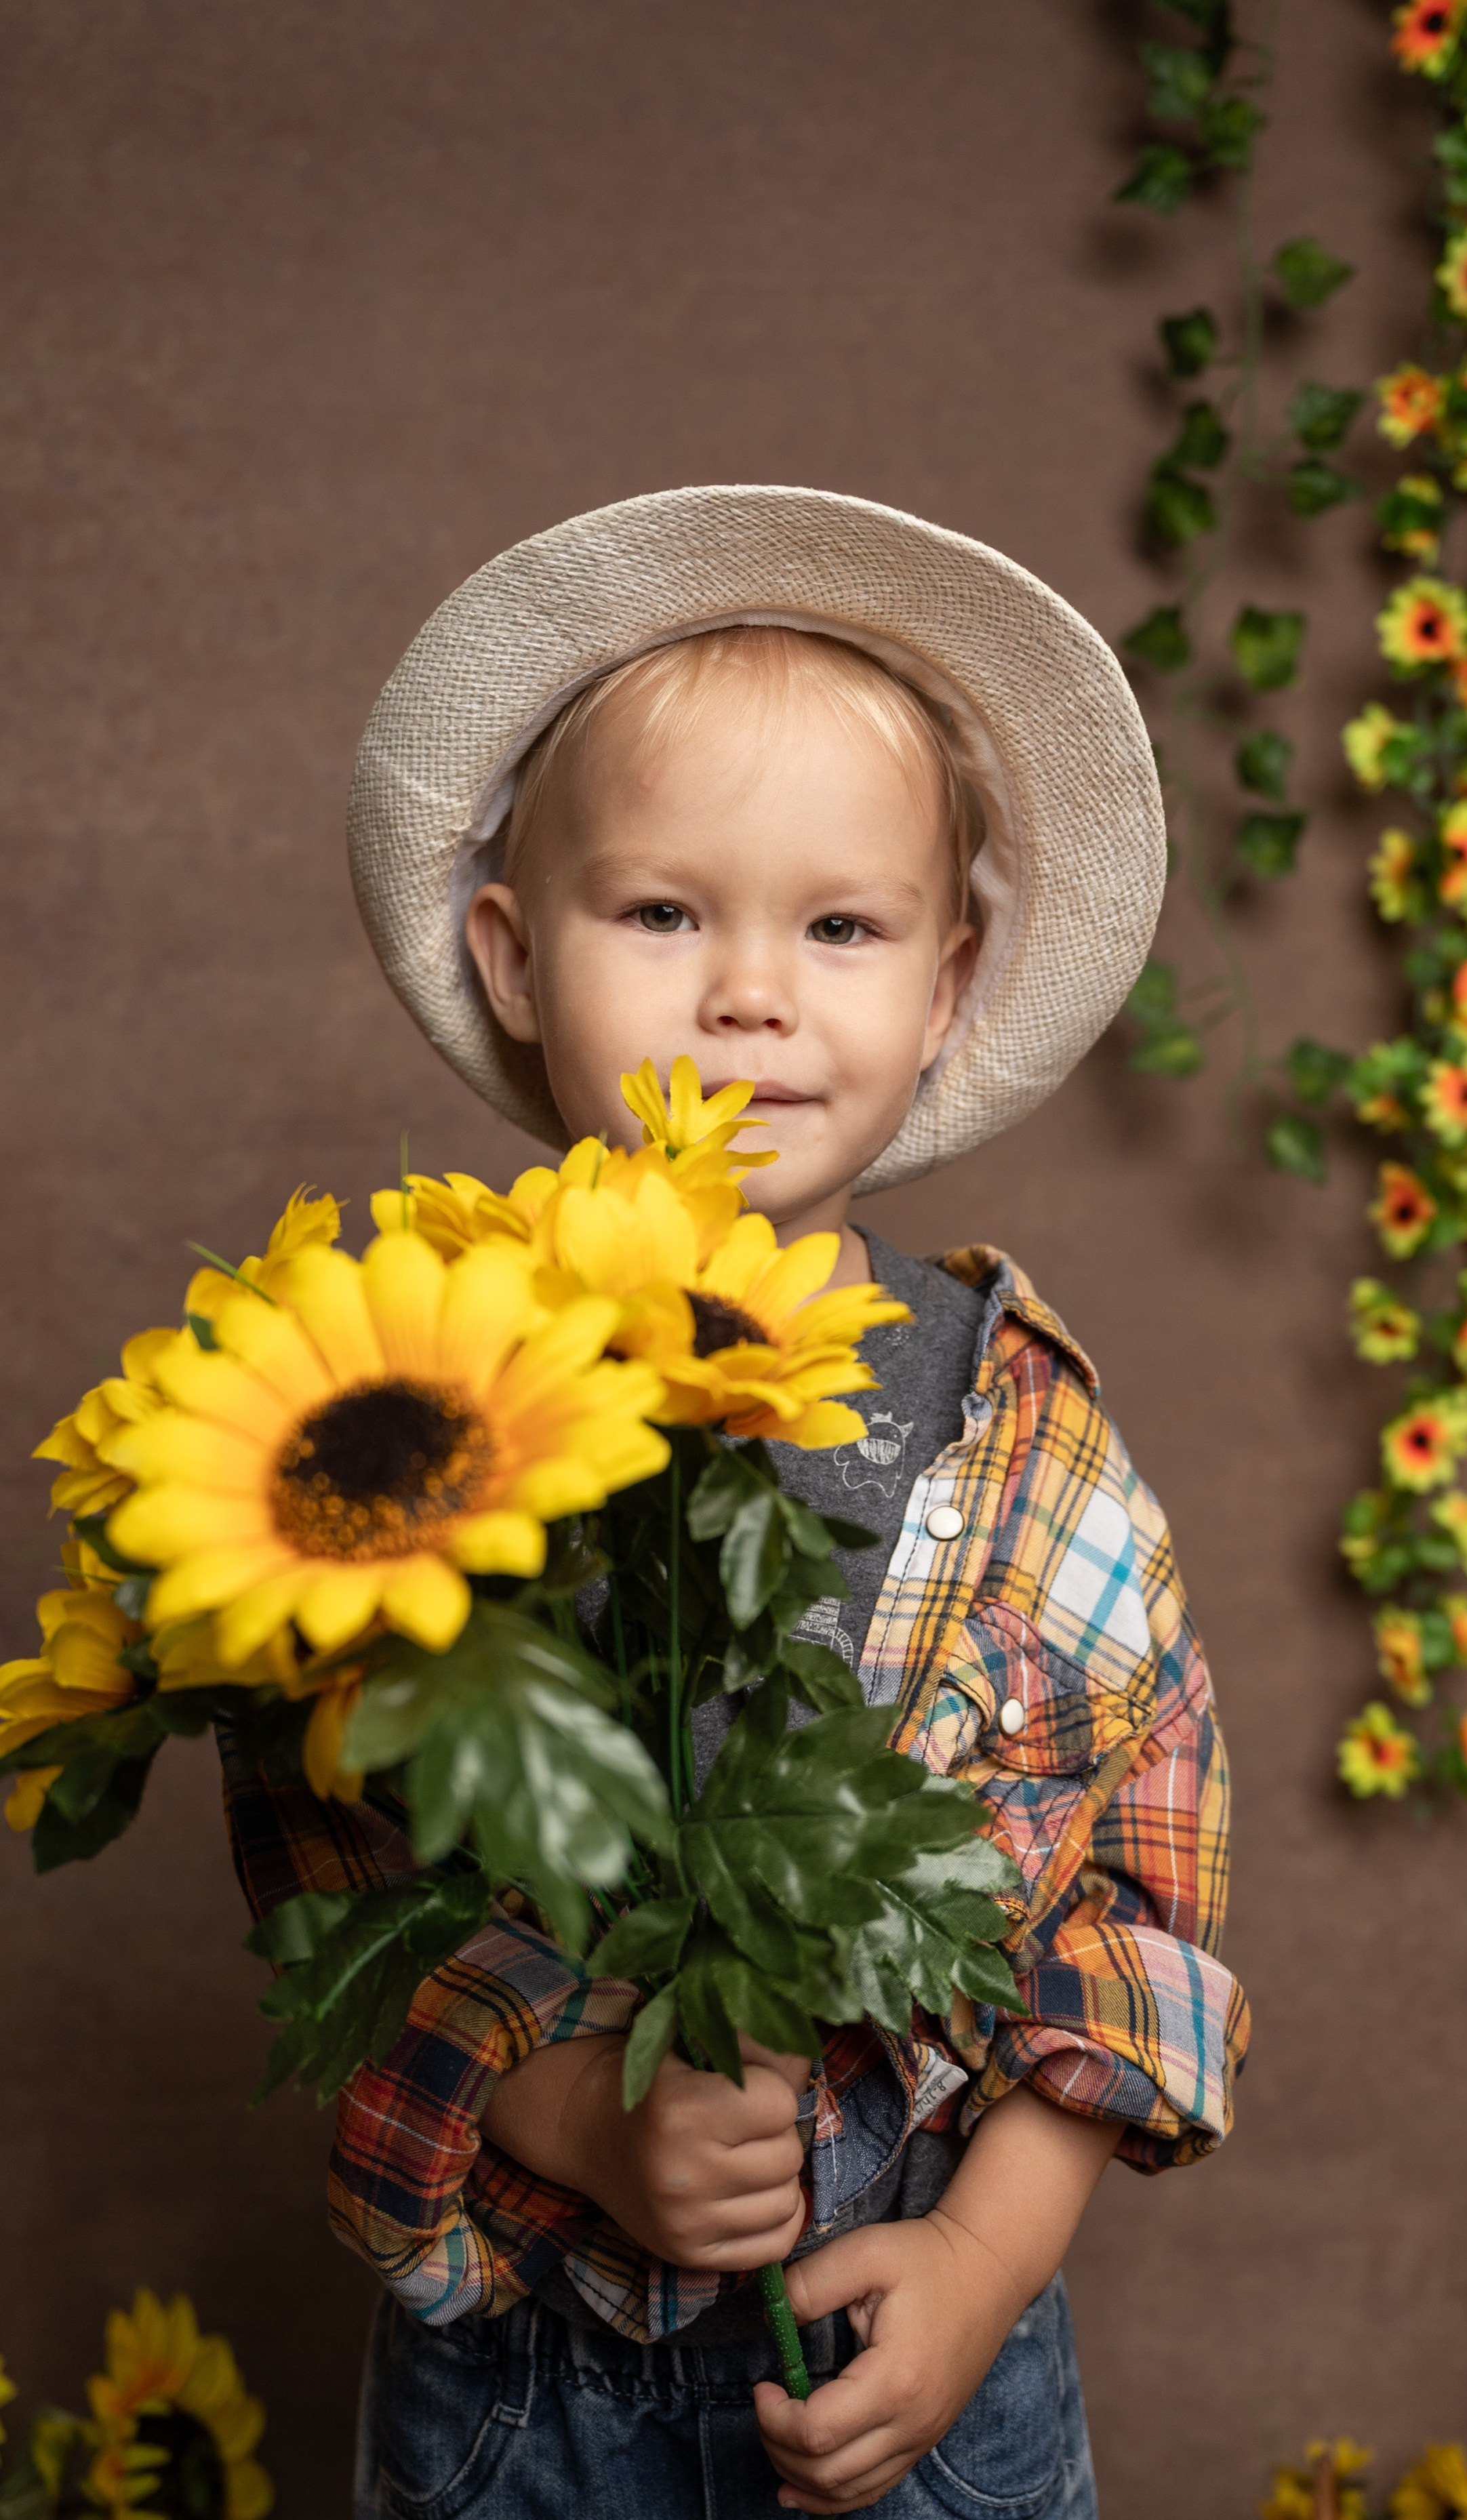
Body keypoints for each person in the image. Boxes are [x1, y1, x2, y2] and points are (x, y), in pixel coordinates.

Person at [226, 486, 1249, 2517]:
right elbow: (326, 1869)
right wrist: (565, 2109)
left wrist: (982, 2254)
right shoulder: (412, 1401)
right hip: (534, 2382)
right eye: (664, 913)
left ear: (946, 986)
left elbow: (1135, 1882)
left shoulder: (1022, 1437)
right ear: (514, 959)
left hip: (918, 2367)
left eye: (839, 926)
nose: (749, 995)